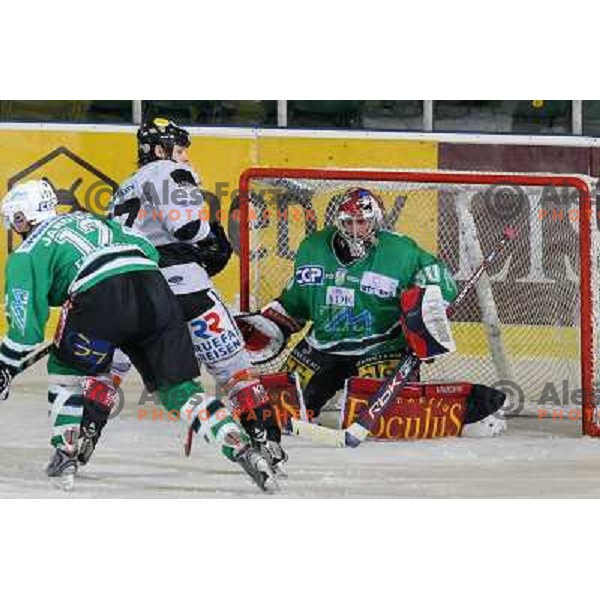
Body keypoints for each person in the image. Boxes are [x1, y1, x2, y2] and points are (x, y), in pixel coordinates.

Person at [0, 179, 276, 492]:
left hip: (99, 299)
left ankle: (66, 452)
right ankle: (243, 449)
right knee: (181, 391)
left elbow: (25, 335)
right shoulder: (91, 219)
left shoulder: (28, 252)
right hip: (155, 291)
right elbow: (145, 248)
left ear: (22, 217)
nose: (14, 226)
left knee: (66, 372)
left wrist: (5, 366)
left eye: (14, 220)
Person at [95, 117, 286, 473]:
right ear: (159, 150)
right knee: (236, 373)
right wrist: (208, 240)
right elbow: (187, 228)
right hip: (186, 289)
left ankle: (80, 437)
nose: (182, 157)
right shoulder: (167, 170)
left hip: (129, 296)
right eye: (178, 149)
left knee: (108, 373)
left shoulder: (122, 190)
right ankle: (265, 440)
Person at [250, 187, 459, 420]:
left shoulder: (400, 251)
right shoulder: (313, 247)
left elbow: (437, 281)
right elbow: (297, 302)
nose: (355, 230)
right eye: (348, 222)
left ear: (375, 221)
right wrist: (267, 324)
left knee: (386, 422)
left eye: (362, 222)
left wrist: (427, 321)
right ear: (339, 222)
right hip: (322, 346)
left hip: (381, 347)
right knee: (275, 414)